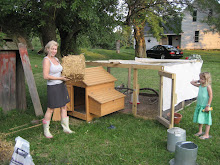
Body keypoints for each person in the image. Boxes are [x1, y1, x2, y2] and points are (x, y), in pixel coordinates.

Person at [42, 40, 74, 138]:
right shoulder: (46, 60)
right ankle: (46, 130)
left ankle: (66, 127)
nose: (54, 51)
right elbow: (46, 76)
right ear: (47, 49)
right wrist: (61, 78)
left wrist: (66, 75)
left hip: (61, 85)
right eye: (52, 49)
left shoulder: (56, 59)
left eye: (55, 49)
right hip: (53, 87)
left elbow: (59, 72)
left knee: (64, 106)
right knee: (51, 109)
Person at [190, 72, 213, 140]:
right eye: (200, 78)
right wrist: (198, 80)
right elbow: (191, 82)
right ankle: (200, 131)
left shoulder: (208, 87)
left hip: (205, 106)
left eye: (202, 79)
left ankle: (206, 134)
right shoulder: (200, 85)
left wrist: (208, 105)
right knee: (200, 119)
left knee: (206, 120)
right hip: (199, 105)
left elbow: (211, 96)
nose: (200, 80)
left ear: (206, 80)